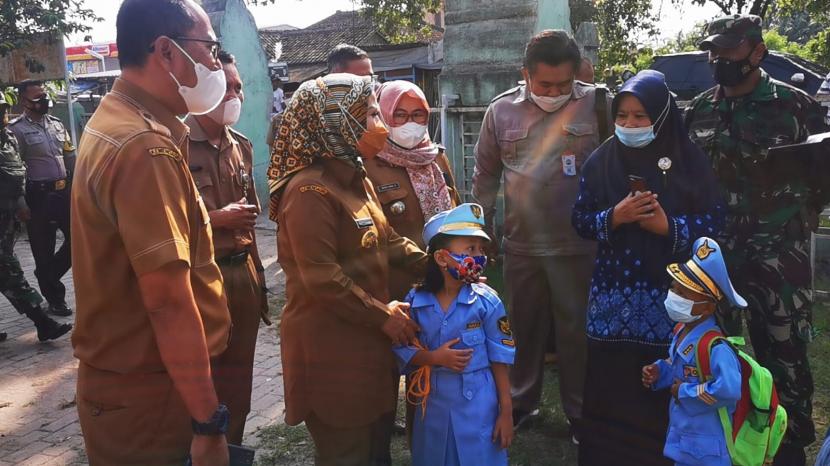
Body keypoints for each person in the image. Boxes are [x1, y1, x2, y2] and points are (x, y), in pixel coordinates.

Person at [71, 1, 233, 464]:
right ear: (167, 51)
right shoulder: (144, 146)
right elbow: (166, 299)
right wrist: (207, 421)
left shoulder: (117, 121)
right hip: (153, 390)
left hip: (138, 381)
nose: (216, 64)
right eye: (210, 49)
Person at [684, 14, 830, 465]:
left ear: (757, 52)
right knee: (718, 350)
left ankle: (789, 443)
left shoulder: (796, 105)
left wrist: (806, 212)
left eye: (729, 50)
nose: (719, 58)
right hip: (718, 258)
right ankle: (725, 437)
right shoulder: (700, 110)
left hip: (777, 254)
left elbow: (822, 170)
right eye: (714, 50)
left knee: (783, 349)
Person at [267, 73, 427, 466]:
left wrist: (440, 265)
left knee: (376, 449)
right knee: (347, 452)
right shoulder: (309, 192)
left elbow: (388, 241)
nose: (380, 124)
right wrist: (381, 314)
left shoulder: (357, 177)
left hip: (368, 344)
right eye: (371, 113)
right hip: (331, 351)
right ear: (338, 121)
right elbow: (321, 276)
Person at [571, 69, 724, 466]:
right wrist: (615, 217)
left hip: (669, 300)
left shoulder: (691, 161)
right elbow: (581, 219)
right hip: (611, 305)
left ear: (660, 115)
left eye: (640, 116)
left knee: (661, 380)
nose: (629, 125)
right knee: (611, 384)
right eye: (622, 116)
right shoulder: (601, 161)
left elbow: (717, 223)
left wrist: (668, 228)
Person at [472, 29, 611, 433]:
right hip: (523, 245)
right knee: (521, 328)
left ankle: (582, 412)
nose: (554, 92)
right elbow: (485, 176)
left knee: (577, 333)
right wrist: (483, 231)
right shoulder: (500, 112)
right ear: (526, 74)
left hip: (580, 244)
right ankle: (521, 403)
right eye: (545, 84)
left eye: (564, 84)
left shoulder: (598, 106)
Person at [185, 50, 268, 446]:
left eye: (239, 87)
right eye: (228, 86)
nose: (237, 95)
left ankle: (232, 447)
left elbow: (251, 221)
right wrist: (216, 219)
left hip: (242, 275)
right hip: (201, 280)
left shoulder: (242, 146)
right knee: (204, 379)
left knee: (239, 382)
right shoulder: (176, 146)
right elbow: (162, 224)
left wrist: (260, 281)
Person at [393, 203, 515, 466]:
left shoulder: (488, 302)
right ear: (441, 257)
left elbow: (500, 358)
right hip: (433, 407)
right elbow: (401, 349)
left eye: (481, 249)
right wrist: (433, 357)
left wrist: (506, 411)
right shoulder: (415, 302)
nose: (479, 257)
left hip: (480, 405)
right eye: (470, 249)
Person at [643, 237, 745, 466]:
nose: (675, 296)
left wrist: (685, 392)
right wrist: (659, 372)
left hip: (708, 453)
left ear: (708, 307)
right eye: (674, 288)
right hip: (685, 444)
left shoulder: (716, 347)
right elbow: (677, 367)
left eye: (684, 293)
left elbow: (728, 390)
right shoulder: (681, 332)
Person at [365, 80, 460, 300]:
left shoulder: (436, 157)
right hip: (398, 285)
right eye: (399, 115)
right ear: (384, 115)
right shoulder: (369, 166)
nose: (411, 123)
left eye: (418, 114)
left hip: (446, 280)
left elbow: (454, 206)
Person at [0, 93, 72, 343]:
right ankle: (44, 320)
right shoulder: (16, 131)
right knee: (11, 270)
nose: (2, 113)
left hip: (15, 212)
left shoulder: (7, 137)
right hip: (32, 199)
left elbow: (15, 173)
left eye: (3, 108)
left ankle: (47, 282)